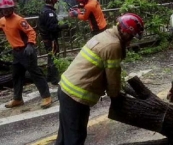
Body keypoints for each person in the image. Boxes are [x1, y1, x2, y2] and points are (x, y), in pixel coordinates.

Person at [55, 13, 144, 145]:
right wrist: (116, 97)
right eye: (131, 36)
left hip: (65, 89)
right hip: (76, 95)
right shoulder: (113, 46)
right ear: (125, 32)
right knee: (75, 138)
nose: (131, 40)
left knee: (64, 136)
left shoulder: (106, 35)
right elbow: (113, 79)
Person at [0, 0, 52, 109]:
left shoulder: (19, 20)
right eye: (4, 9)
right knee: (16, 76)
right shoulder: (2, 21)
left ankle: (46, 96)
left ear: (12, 8)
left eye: (8, 8)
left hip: (26, 51)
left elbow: (31, 32)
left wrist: (30, 44)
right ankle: (17, 98)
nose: (6, 11)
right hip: (16, 52)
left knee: (35, 74)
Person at [38, 0, 69, 85]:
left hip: (46, 38)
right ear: (53, 1)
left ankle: (49, 76)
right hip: (51, 38)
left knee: (51, 56)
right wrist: (62, 26)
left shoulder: (43, 10)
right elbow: (51, 28)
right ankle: (55, 79)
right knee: (54, 57)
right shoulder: (49, 13)